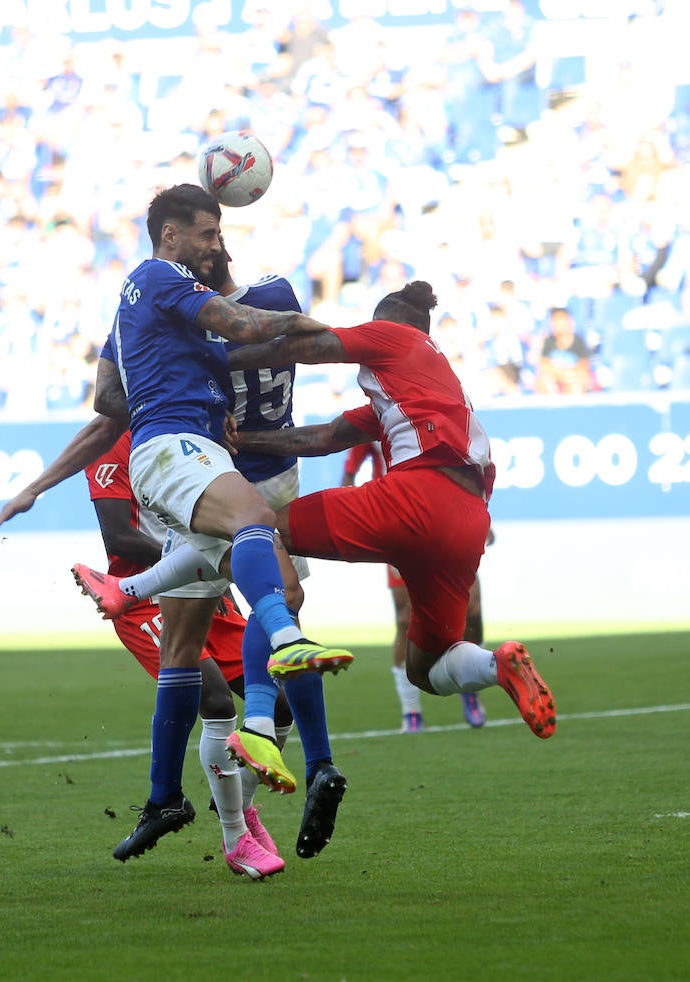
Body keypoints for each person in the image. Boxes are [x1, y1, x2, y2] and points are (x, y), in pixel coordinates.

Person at [66, 185, 352, 855]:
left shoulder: (141, 308)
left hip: (181, 447)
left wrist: (195, 376)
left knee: (183, 649)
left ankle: (178, 802)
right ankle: (281, 647)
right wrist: (329, 337)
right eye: (206, 232)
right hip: (174, 450)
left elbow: (109, 394)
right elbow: (246, 326)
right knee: (258, 525)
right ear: (170, 236)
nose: (216, 241)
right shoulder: (161, 276)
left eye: (218, 232)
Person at [223, 281, 556, 742]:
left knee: (257, 530)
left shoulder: (397, 337)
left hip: (418, 496)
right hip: (468, 521)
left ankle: (267, 686)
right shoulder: (426, 388)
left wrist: (216, 359)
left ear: (388, 323)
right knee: (427, 667)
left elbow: (307, 347)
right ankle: (496, 665)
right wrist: (242, 441)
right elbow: (317, 439)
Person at [85, 428, 290, 877]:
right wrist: (201, 564)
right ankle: (236, 840)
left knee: (279, 706)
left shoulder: (197, 426)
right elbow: (118, 538)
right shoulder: (112, 444)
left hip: (207, 587)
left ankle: (241, 810)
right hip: (148, 602)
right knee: (215, 700)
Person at [341, 442, 488, 731]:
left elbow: (472, 465)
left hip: (449, 518)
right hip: (399, 524)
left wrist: (480, 509)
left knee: (470, 610)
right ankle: (411, 710)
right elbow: (348, 475)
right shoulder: (375, 417)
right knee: (405, 619)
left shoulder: (443, 415)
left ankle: (471, 690)